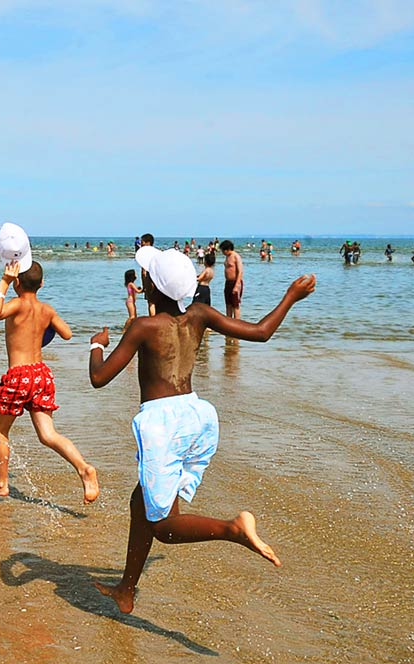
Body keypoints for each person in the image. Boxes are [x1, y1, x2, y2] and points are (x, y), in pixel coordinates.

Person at [87, 245, 316, 614]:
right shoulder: (199, 314)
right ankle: (126, 590)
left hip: (163, 425)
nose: (144, 277)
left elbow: (99, 378)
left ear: (152, 287)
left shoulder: (143, 327)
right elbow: (260, 332)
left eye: (148, 275)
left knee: (163, 525)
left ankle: (233, 530)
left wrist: (96, 346)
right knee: (140, 501)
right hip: (196, 417)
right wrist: (290, 296)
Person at [0, 260, 100, 504]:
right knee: (48, 434)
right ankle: (84, 469)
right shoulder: (47, 310)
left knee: (0, 430)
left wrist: (4, 281)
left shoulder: (16, 304)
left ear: (17, 283)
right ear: (42, 283)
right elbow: (67, 333)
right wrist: (42, 332)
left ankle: (1, 484)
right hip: (41, 374)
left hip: (19, 375)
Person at [220, 240, 243, 322]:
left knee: (235, 305)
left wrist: (237, 285)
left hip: (235, 282)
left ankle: (237, 323)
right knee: (228, 304)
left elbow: (240, 271)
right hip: (228, 282)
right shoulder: (227, 257)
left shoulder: (236, 256)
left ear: (227, 249)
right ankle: (229, 322)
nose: (222, 252)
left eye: (223, 250)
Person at [140, 234, 156, 315]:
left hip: (150, 281)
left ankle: (153, 321)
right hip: (158, 281)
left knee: (151, 303)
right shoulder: (156, 252)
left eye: (142, 242)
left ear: (148, 243)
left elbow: (143, 272)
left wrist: (144, 286)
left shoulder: (145, 254)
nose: (141, 244)